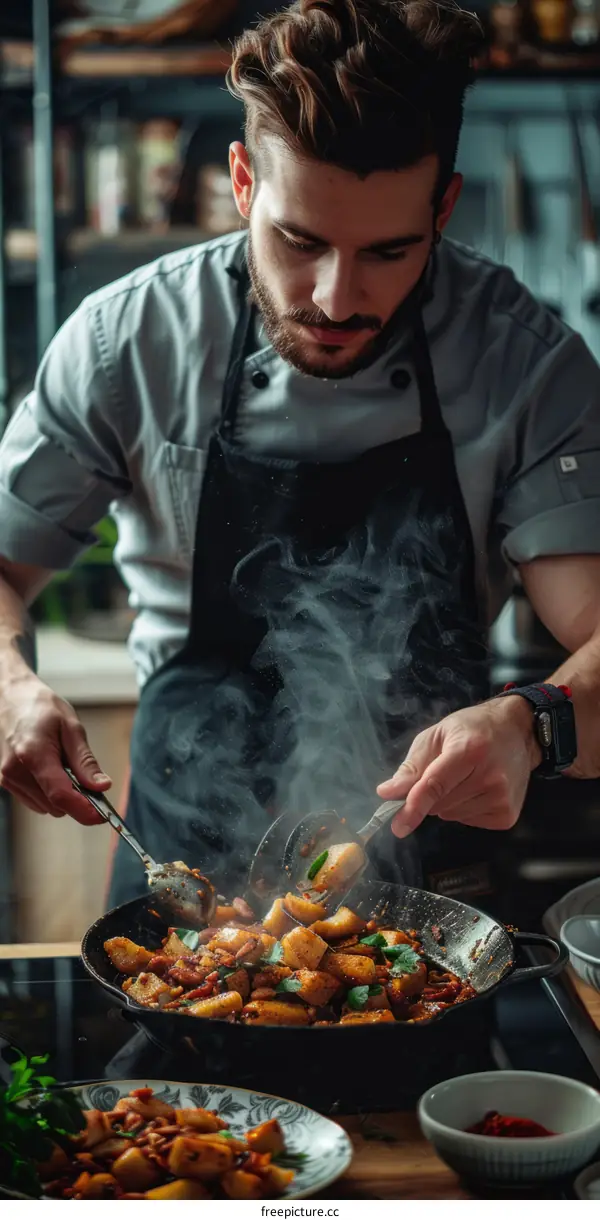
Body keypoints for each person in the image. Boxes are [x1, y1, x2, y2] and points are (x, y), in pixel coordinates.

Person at [0, 0, 599, 911]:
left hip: (425, 888)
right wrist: (9, 687)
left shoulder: (523, 362)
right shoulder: (131, 341)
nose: (335, 297)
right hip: (180, 869)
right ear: (244, 181)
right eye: (299, 240)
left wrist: (535, 724)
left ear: (444, 206)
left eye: (390, 251)